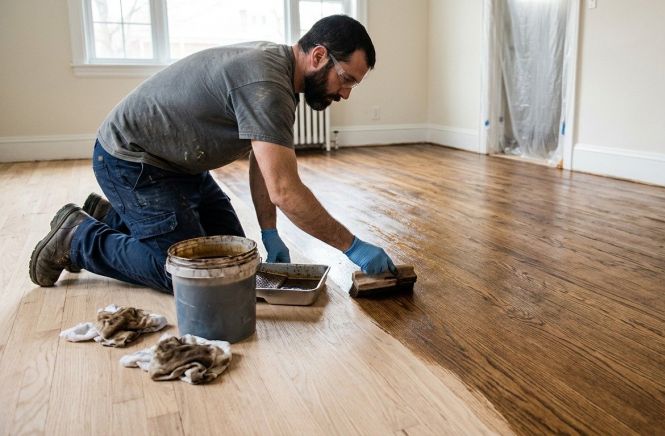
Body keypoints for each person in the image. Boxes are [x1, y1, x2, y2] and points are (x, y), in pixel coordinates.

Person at [29, 15, 396, 292]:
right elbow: (285, 190)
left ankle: (111, 217)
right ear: (318, 55)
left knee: (237, 260)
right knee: (195, 276)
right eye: (346, 79)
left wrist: (269, 231)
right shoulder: (267, 86)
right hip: (132, 161)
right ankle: (78, 239)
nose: (345, 93)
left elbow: (262, 164)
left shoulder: (278, 71)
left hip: (180, 167)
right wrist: (353, 247)